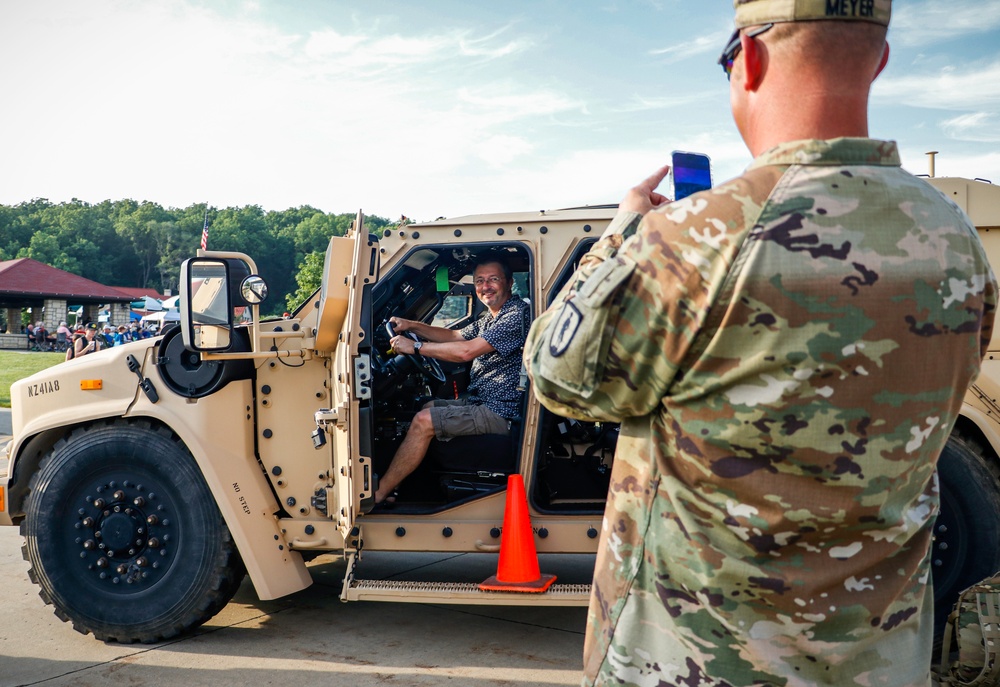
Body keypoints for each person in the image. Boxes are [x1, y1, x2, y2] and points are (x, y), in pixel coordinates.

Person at [524, 1, 998, 685]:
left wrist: (622, 235)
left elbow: (557, 374)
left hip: (696, 662)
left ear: (747, 59)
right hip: (880, 662)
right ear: (882, 60)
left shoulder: (696, 237)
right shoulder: (954, 239)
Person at [373, 257, 531, 505]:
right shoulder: (494, 316)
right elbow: (455, 335)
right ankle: (402, 489)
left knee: (423, 421)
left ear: (509, 283)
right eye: (479, 280)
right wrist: (410, 325)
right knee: (427, 408)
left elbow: (465, 352)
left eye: (493, 279)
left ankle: (379, 494)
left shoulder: (515, 315)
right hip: (486, 402)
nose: (485, 286)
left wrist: (415, 347)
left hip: (503, 412)